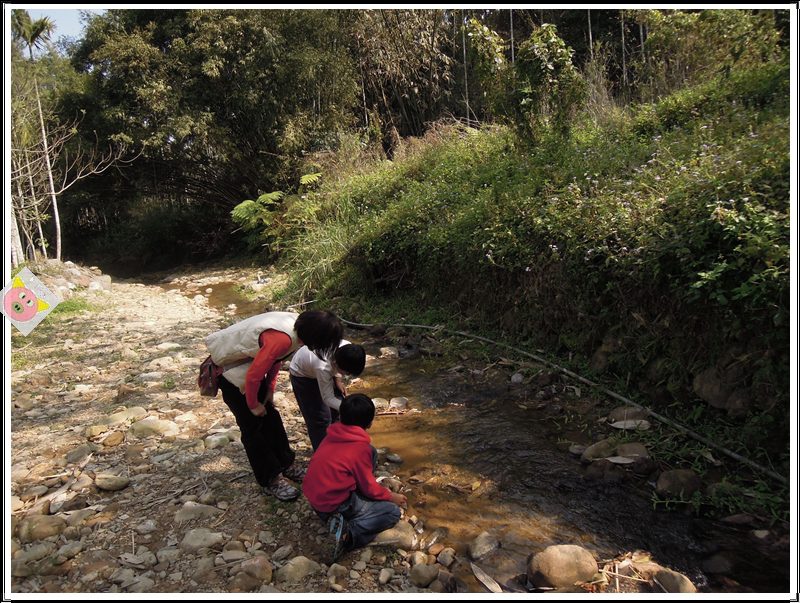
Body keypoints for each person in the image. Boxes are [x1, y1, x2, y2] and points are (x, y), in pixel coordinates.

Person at [205, 310, 342, 501]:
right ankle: (270, 478)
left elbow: (275, 360)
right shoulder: (282, 337)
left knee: (272, 418)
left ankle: (287, 464)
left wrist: (269, 388)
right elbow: (254, 375)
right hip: (230, 374)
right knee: (252, 427)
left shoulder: (297, 329)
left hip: (251, 369)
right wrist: (253, 405)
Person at [302, 393, 407, 560]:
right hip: (335, 504)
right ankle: (347, 536)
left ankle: (338, 518)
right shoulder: (360, 449)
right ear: (370, 422)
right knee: (392, 512)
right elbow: (370, 489)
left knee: (371, 451)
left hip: (317, 500)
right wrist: (390, 496)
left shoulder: (331, 435)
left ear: (341, 416)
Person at [289, 340, 366, 450]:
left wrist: (338, 379)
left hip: (323, 367)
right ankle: (323, 454)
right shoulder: (323, 366)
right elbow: (328, 398)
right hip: (303, 375)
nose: (347, 375)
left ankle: (337, 444)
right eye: (347, 373)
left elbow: (337, 370)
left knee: (336, 411)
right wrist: (351, 408)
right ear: (338, 364)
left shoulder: (347, 348)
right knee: (320, 418)